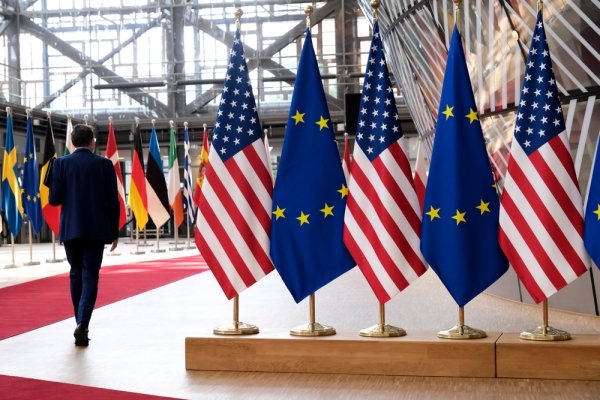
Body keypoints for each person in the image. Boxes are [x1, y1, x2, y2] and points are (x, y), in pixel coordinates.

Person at [48, 124, 120, 346]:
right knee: (90, 274)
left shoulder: (60, 164)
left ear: (72, 141)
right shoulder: (105, 165)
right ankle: (83, 324)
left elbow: (54, 200)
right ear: (92, 142)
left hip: (71, 229)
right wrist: (114, 231)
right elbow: (112, 201)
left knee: (76, 273)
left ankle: (79, 321)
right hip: (97, 230)